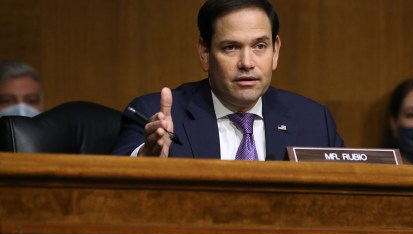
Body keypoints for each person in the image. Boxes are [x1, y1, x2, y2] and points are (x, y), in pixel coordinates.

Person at [112, 0, 344, 160]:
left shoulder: (313, 121)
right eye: (231, 47)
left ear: (275, 51)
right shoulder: (154, 116)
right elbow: (111, 193)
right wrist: (146, 161)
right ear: (205, 52)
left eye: (260, 46)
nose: (247, 62)